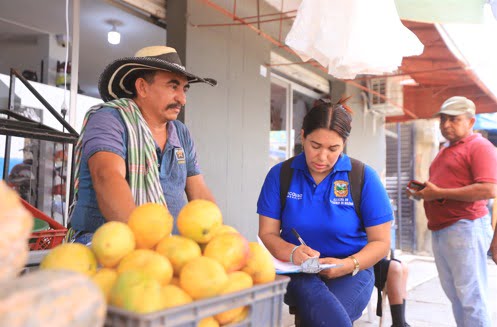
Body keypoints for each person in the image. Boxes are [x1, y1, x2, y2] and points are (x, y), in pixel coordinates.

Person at [257, 98, 392, 326]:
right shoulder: (281, 175)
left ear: (344, 144)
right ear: (302, 136)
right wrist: (293, 253)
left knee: (320, 318)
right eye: (315, 146)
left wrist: (348, 264)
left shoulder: (362, 177)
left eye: (333, 149)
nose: (322, 157)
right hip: (297, 270)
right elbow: (267, 233)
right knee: (313, 301)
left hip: (352, 271)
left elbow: (381, 242)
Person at [68, 46, 217, 244]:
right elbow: (107, 176)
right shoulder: (110, 119)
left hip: (170, 249)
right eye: (173, 87)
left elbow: (199, 194)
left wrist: (218, 236)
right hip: (107, 245)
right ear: (142, 87)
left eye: (184, 89)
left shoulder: (181, 133)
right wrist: (144, 243)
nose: (182, 99)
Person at [412, 96, 497, 326]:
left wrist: (439, 193)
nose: (446, 125)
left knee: (471, 297)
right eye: (443, 119)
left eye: (454, 120)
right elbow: (445, 187)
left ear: (470, 122)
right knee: (456, 297)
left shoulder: (479, 146)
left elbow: (489, 189)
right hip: (443, 229)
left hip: (465, 226)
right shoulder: (445, 149)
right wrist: (427, 193)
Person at [374, 258, 410, 327]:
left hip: (379, 256)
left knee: (404, 267)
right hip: (365, 260)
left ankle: (401, 322)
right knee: (395, 268)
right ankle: (398, 324)